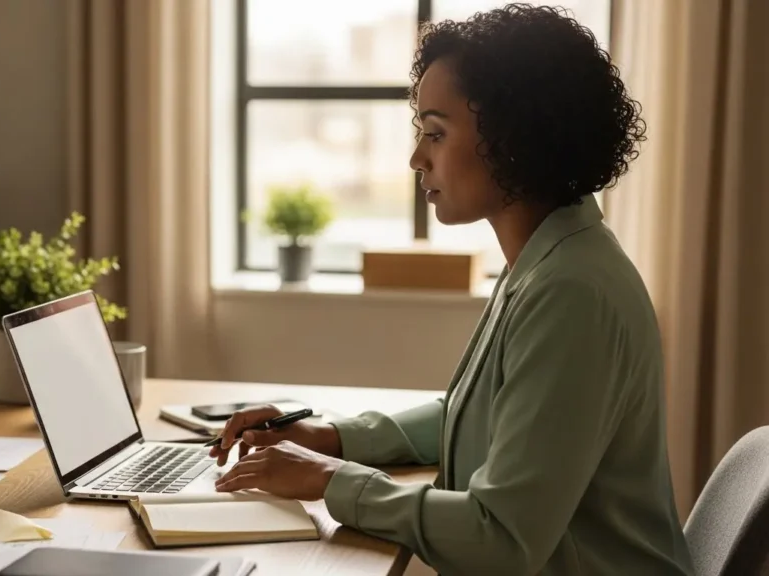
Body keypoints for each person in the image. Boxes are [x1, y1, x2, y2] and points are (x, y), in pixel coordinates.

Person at [210, 4, 695, 575]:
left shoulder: (572, 292)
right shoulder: (545, 259)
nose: (417, 158)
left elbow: (500, 539)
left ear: (514, 139)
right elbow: (475, 416)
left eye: (436, 133)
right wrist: (330, 438)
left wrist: (332, 480)